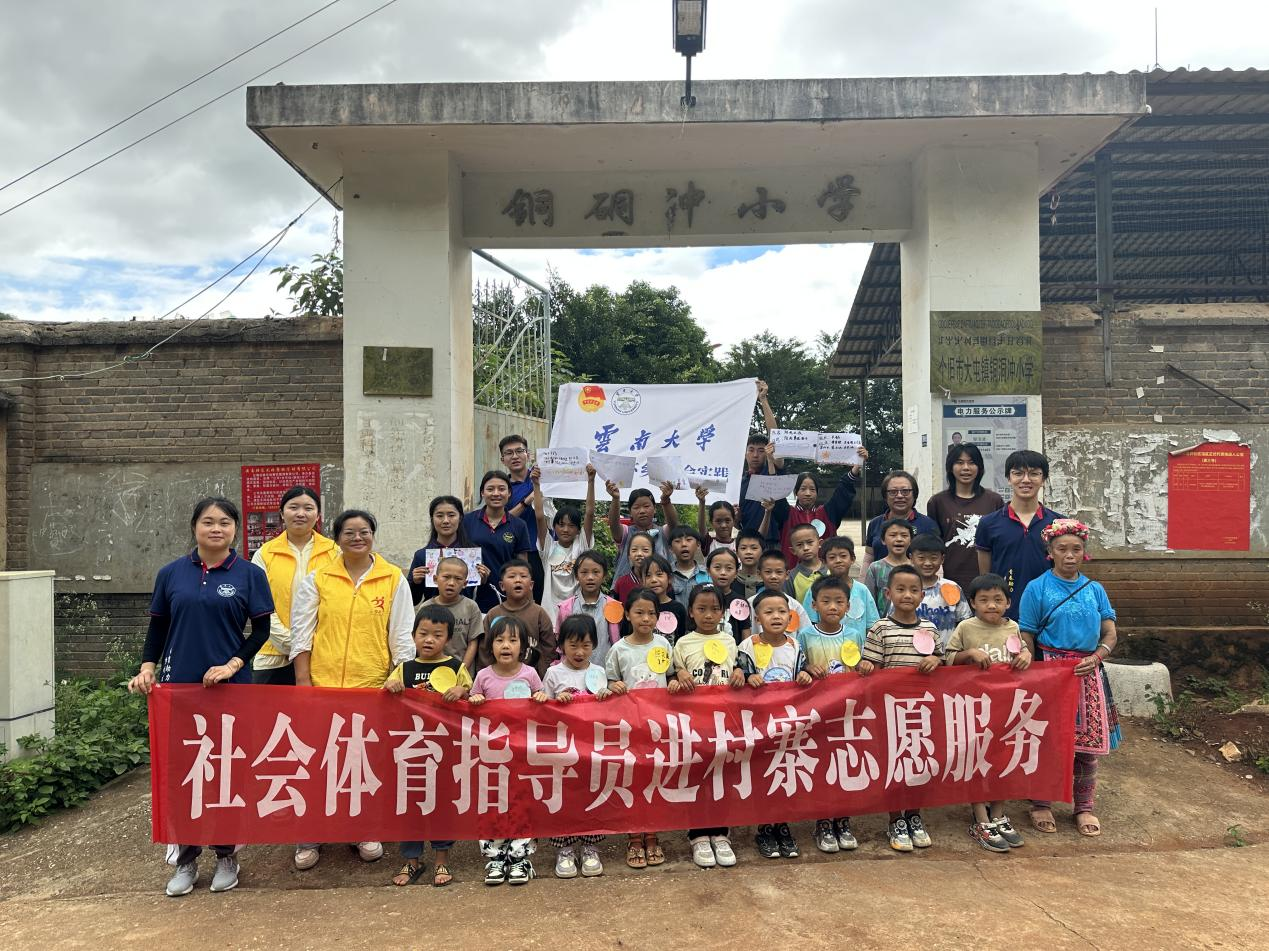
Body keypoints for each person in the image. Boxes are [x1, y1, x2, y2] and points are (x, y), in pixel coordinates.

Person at [129, 497, 273, 897]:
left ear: (235, 529)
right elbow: (158, 629)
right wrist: (147, 667)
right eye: (208, 521)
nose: (216, 528)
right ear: (194, 527)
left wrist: (232, 665)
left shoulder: (249, 574)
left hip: (230, 690)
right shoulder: (171, 573)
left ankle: (227, 855)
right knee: (184, 773)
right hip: (179, 689)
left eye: (225, 522)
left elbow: (261, 631)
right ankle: (186, 859)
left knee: (227, 771)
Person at [290, 508, 414, 870]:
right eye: (349, 532)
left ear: (373, 535)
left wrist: (397, 676)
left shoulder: (393, 578)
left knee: (362, 761)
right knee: (316, 761)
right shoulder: (318, 579)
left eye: (364, 532)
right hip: (323, 687)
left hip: (371, 688)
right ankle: (310, 834)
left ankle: (363, 829)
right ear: (337, 538)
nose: (357, 538)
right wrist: (303, 682)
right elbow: (302, 633)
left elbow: (401, 637)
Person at [1019, 519, 1120, 839]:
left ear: (1084, 552)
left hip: (1088, 672)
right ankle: (1041, 803)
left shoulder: (1095, 590)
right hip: (1051, 672)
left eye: (1076, 549)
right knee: (1048, 740)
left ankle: (1084, 807)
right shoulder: (1037, 588)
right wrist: (1034, 670)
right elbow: (1026, 634)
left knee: (1087, 747)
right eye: (1062, 549)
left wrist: (1097, 656)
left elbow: (1110, 633)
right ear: (1050, 552)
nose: (1070, 555)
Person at [858, 565, 943, 853]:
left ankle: (914, 815)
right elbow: (874, 668)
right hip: (890, 711)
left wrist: (936, 660)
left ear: (922, 595)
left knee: (920, 762)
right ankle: (895, 819)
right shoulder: (880, 628)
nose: (907, 595)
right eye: (901, 589)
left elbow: (943, 663)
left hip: (923, 710)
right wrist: (867, 666)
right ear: (887, 593)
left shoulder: (930, 629)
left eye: (914, 590)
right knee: (895, 764)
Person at [384, 603, 470, 887]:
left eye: (437, 635)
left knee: (441, 804)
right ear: (413, 636)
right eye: (423, 634)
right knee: (410, 805)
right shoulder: (403, 668)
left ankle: (441, 861)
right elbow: (385, 695)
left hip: (444, 750)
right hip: (410, 750)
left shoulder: (456, 667)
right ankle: (412, 861)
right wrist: (390, 687)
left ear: (448, 638)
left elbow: (472, 694)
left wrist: (461, 690)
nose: (429, 640)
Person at [945, 573, 1032, 853]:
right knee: (976, 759)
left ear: (1008, 603)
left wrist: (1026, 655)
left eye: (997, 599)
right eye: (983, 600)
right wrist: (969, 654)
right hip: (974, 708)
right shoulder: (966, 628)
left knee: (1003, 758)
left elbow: (1023, 652)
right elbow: (948, 658)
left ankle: (999, 814)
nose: (991, 605)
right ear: (972, 603)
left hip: (1006, 707)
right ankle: (980, 817)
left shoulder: (1013, 627)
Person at [669, 584, 746, 868]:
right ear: (691, 611)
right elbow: (672, 675)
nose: (709, 615)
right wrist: (678, 675)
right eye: (701, 609)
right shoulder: (682, 644)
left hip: (724, 722)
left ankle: (721, 833)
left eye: (715, 609)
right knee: (697, 775)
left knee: (722, 776)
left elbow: (739, 667)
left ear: (723, 612)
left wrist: (739, 672)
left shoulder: (730, 641)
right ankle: (698, 835)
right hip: (695, 723)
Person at [467, 615, 548, 886]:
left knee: (522, 802)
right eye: (499, 640)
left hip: (522, 754)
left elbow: (543, 703)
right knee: (494, 802)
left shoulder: (530, 674)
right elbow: (471, 705)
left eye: (513, 640)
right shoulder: (483, 676)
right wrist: (475, 699)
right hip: (492, 755)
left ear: (523, 646)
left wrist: (540, 697)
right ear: (490, 646)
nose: (505, 645)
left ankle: (520, 857)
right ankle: (495, 857)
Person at [737, 589, 812, 861]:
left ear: (790, 617)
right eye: (768, 612)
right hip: (759, 725)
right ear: (757, 618)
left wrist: (805, 676)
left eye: (781, 612)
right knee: (763, 774)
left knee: (785, 772)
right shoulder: (747, 646)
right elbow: (739, 676)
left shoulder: (795, 646)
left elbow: (802, 672)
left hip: (787, 724)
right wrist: (748, 678)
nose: (776, 617)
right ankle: (765, 828)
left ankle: (782, 825)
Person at [798, 574, 869, 854]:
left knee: (845, 764)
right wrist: (807, 669)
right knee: (822, 766)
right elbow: (798, 668)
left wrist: (864, 668)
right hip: (817, 714)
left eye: (839, 601)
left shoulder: (854, 635)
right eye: (826, 601)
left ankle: (842, 818)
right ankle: (823, 821)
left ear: (848, 606)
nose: (832, 607)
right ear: (814, 604)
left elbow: (859, 667)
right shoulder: (805, 635)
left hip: (847, 713)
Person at [605, 588, 671, 869]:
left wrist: (676, 679)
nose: (646, 618)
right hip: (630, 728)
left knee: (654, 781)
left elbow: (671, 675)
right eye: (639, 612)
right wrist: (613, 685)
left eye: (651, 613)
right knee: (632, 782)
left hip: (659, 727)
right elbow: (608, 681)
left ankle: (653, 835)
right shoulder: (618, 649)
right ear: (627, 615)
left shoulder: (664, 644)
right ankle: (633, 837)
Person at [544, 614, 611, 879]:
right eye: (573, 645)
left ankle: (590, 846)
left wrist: (606, 697)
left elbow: (608, 714)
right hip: (563, 750)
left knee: (591, 794)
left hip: (592, 748)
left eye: (586, 645)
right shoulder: (553, 673)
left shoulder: (599, 673)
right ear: (562, 645)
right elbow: (541, 710)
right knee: (564, 797)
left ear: (594, 644)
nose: (579, 652)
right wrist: (555, 702)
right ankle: (565, 848)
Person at [250, 485, 338, 686]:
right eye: (293, 507)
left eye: (308, 508)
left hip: (322, 655)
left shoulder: (335, 553)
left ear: (318, 515)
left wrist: (311, 646)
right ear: (282, 513)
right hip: (273, 654)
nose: (300, 513)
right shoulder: (264, 554)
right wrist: (293, 643)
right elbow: (260, 607)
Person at [974, 450, 1065, 620]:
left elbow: (1066, 572)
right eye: (1018, 473)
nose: (1026, 480)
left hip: (1049, 613)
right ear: (1008, 478)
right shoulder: (989, 523)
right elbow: (986, 577)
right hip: (1004, 615)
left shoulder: (1058, 524)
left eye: (1034, 474)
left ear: (1044, 480)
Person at [925, 443, 1004, 590]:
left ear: (979, 467)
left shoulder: (994, 500)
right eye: (960, 463)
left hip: (988, 581)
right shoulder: (938, 502)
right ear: (950, 467)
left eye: (972, 463)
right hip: (951, 580)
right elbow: (933, 543)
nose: (966, 468)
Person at [769, 454, 868, 569]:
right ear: (796, 492)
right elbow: (776, 492)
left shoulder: (827, 513)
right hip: (793, 574)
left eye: (812, 489)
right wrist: (770, 461)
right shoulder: (787, 513)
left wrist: (857, 465)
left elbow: (842, 490)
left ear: (817, 493)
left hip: (825, 576)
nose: (808, 493)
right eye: (803, 489)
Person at [470, 559, 556, 677]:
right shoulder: (493, 614)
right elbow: (484, 651)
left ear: (531, 585)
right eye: (511, 576)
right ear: (502, 586)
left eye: (523, 576)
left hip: (531, 679)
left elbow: (548, 649)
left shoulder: (539, 614)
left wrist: (541, 676)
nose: (518, 580)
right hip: (497, 678)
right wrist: (488, 677)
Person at [463, 471, 534, 611]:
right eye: (490, 489)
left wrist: (528, 601)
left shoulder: (519, 525)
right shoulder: (467, 521)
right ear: (482, 493)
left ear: (509, 493)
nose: (496, 493)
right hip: (472, 596)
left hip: (507, 597)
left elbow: (523, 565)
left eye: (501, 489)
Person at [533, 462, 596, 618]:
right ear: (554, 527)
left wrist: (591, 481)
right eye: (561, 525)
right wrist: (536, 485)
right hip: (550, 615)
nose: (566, 529)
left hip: (577, 615)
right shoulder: (548, 547)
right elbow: (539, 516)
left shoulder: (581, 547)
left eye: (571, 526)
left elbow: (589, 513)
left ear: (578, 530)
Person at [407, 495, 489, 606]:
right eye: (439, 516)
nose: (445, 521)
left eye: (451, 515)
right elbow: (412, 601)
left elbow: (481, 597)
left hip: (464, 614)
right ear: (432, 519)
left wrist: (484, 581)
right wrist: (415, 583)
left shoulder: (472, 555)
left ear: (460, 518)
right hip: (432, 614)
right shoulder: (422, 555)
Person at [500, 433, 548, 602]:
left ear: (528, 454)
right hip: (517, 554)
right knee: (520, 603)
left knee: (547, 603)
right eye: (509, 453)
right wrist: (527, 501)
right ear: (502, 459)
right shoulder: (502, 488)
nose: (515, 456)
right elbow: (501, 519)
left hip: (545, 551)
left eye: (519, 451)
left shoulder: (543, 477)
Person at [552, 550, 620, 667]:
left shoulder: (613, 606)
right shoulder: (566, 608)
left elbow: (616, 641)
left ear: (604, 576)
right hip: (573, 670)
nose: (590, 577)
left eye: (596, 572)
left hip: (604, 670)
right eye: (584, 572)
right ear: (576, 576)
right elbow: (561, 640)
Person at [860, 470, 940, 570]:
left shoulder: (928, 525)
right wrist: (863, 579)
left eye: (905, 491)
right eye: (893, 492)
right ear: (885, 496)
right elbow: (869, 557)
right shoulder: (875, 523)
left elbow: (936, 559)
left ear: (914, 495)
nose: (899, 496)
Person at [737, 380, 785, 533]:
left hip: (773, 542)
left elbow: (775, 437)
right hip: (748, 543)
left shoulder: (772, 470)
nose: (755, 455)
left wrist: (763, 399)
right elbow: (737, 522)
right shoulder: (739, 483)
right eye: (751, 450)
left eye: (761, 450)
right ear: (745, 453)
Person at [909, 533, 972, 648]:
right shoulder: (905, 590)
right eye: (921, 558)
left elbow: (965, 622)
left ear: (942, 559)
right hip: (912, 653)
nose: (927, 563)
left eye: (933, 558)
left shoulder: (952, 587)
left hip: (947, 652)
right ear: (911, 558)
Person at [418, 556, 482, 668]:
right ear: (435, 579)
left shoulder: (471, 607)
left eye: (458, 579)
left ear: (465, 583)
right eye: (446, 577)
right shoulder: (426, 607)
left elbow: (473, 642)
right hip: (431, 670)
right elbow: (419, 640)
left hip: (462, 669)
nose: (451, 583)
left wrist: (462, 670)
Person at [605, 482, 678, 581]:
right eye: (636, 507)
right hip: (628, 589)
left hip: (659, 588)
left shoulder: (663, 532)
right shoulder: (626, 533)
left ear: (654, 509)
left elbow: (673, 524)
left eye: (646, 506)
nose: (642, 511)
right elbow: (613, 523)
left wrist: (666, 501)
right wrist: (615, 498)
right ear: (630, 512)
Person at [750, 549, 812, 640]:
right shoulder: (751, 603)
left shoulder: (795, 606)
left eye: (779, 572)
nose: (773, 576)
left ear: (787, 574)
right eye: (768, 572)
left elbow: (807, 635)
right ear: (759, 574)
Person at [862, 518, 914, 614]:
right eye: (893, 535)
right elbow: (868, 601)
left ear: (911, 540)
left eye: (904, 535)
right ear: (883, 540)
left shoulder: (916, 568)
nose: (899, 539)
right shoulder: (875, 568)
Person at [705, 547, 750, 642]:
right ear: (708, 571)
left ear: (736, 573)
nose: (723, 573)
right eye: (717, 567)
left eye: (729, 568)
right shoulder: (701, 598)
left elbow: (745, 631)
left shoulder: (740, 602)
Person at [639, 554, 687, 643]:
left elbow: (681, 638)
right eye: (648, 575)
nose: (654, 580)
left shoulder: (678, 608)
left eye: (659, 574)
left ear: (669, 578)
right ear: (641, 581)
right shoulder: (638, 607)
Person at [783, 521, 829, 603]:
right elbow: (789, 605)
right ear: (793, 551)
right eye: (799, 545)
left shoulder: (832, 571)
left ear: (820, 543)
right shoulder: (790, 577)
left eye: (810, 542)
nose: (806, 548)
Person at [668, 525, 710, 606]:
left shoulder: (707, 574)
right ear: (670, 548)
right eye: (677, 541)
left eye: (689, 540)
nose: (684, 544)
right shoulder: (666, 574)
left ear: (698, 545)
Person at [612, 530, 656, 602]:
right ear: (629, 555)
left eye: (645, 550)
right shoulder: (621, 583)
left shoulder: (658, 581)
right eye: (634, 550)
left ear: (653, 554)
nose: (639, 554)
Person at [696, 489, 738, 554]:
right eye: (718, 521)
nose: (723, 525)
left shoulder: (740, 545)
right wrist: (702, 502)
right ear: (711, 523)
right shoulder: (708, 543)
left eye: (727, 520)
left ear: (733, 521)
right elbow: (701, 528)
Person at [735, 528, 766, 599]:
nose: (748, 552)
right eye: (743, 548)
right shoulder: (730, 580)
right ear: (737, 553)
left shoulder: (768, 581)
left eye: (754, 548)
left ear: (763, 552)